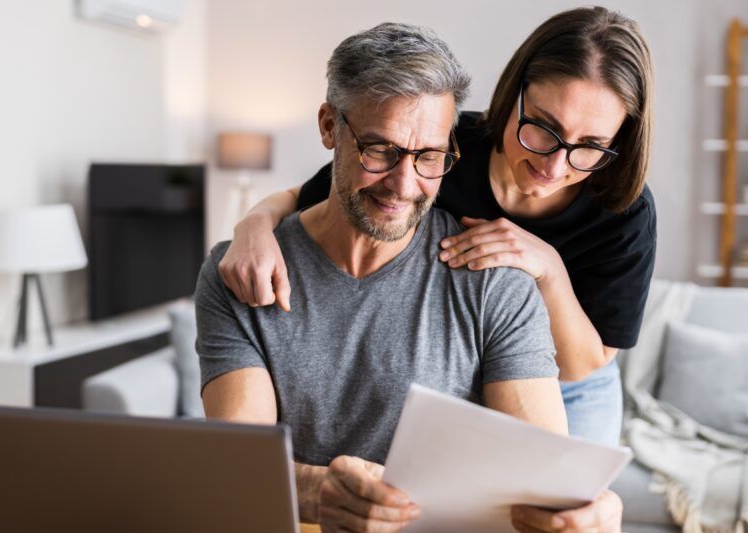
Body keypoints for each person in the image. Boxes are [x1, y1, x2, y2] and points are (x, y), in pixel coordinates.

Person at [220, 5, 655, 449]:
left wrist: (548, 267)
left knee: (567, 508)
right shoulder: (438, 145)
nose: (554, 164)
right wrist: (253, 226)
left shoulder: (624, 209)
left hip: (573, 386)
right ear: (513, 94)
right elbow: (308, 196)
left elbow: (584, 364)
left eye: (590, 146)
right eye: (543, 128)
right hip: (477, 364)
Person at [196, 23, 571, 533]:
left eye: (429, 157)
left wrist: (585, 510)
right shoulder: (241, 273)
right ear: (329, 126)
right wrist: (319, 492)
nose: (403, 184)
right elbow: (237, 466)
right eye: (379, 149)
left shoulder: (494, 283)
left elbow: (545, 478)